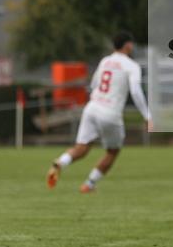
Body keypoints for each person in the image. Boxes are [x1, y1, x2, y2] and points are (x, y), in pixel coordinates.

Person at [46, 31, 152, 193]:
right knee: (112, 151)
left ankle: (60, 162)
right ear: (128, 45)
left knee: (81, 148)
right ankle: (89, 184)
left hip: (92, 108)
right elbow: (136, 92)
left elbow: (94, 85)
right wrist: (147, 116)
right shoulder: (131, 66)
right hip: (110, 113)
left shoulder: (105, 61)